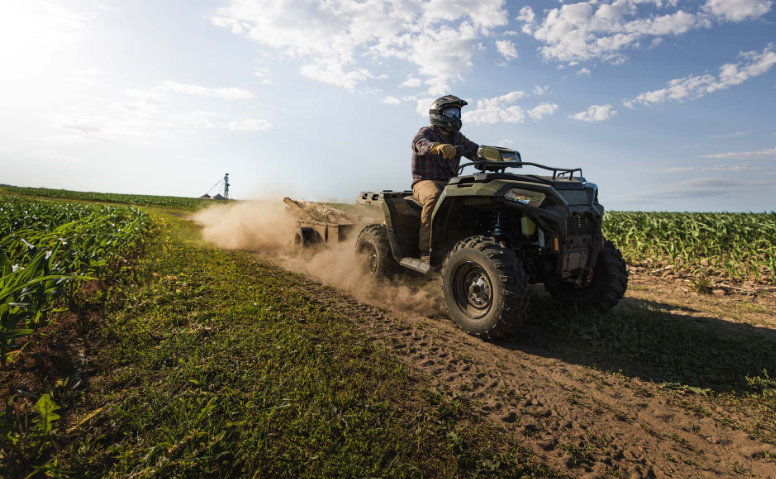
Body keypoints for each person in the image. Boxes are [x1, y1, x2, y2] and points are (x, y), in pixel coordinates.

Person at [411, 95, 479, 264]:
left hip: (451, 182)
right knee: (434, 196)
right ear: (438, 113)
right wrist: (436, 146)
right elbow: (418, 143)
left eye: (457, 113)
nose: (455, 117)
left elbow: (476, 150)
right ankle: (425, 250)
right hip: (425, 181)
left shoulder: (457, 137)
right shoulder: (428, 132)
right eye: (451, 113)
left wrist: (491, 154)